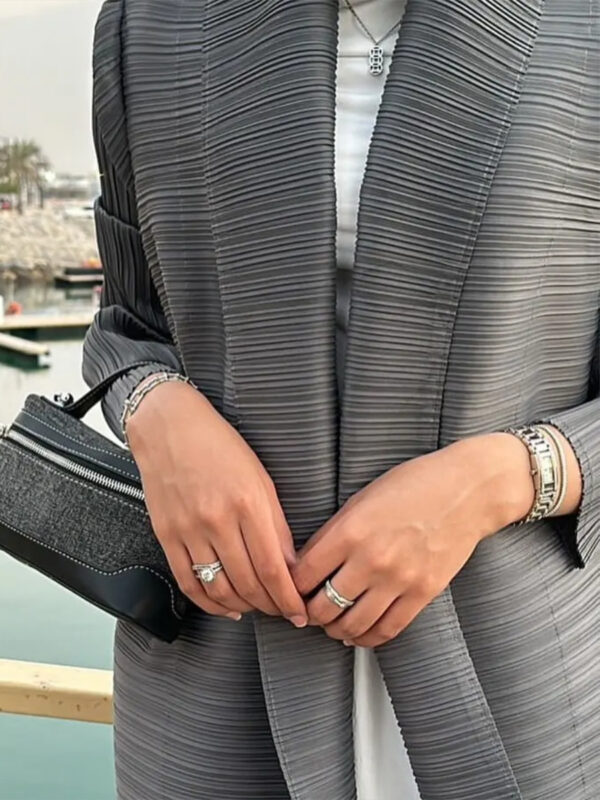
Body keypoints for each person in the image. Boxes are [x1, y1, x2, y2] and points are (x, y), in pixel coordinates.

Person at [82, 1, 600, 798]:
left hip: (513, 671)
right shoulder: (149, 23)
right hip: (213, 674)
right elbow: (127, 322)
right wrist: (159, 412)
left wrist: (502, 478)